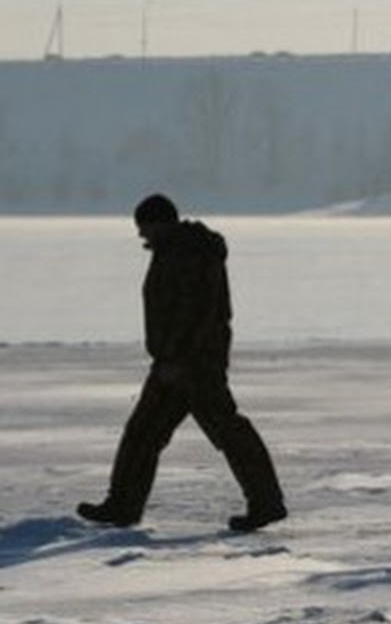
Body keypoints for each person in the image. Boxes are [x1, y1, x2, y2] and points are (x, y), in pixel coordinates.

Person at [77, 194, 287, 532]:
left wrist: (178, 359)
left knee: (225, 430)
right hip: (176, 362)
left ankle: (266, 502)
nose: (141, 236)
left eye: (144, 227)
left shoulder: (187, 253)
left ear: (160, 223)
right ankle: (122, 505)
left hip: (191, 364)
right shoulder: (177, 249)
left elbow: (196, 313)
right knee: (145, 433)